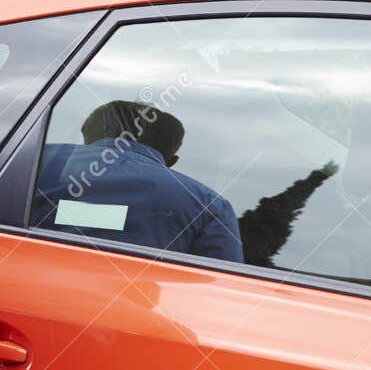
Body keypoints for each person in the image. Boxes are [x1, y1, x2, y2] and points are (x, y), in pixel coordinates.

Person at [33, 99, 243, 262]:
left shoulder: (27, 161)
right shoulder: (210, 207)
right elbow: (220, 291)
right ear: (171, 161)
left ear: (87, 140)